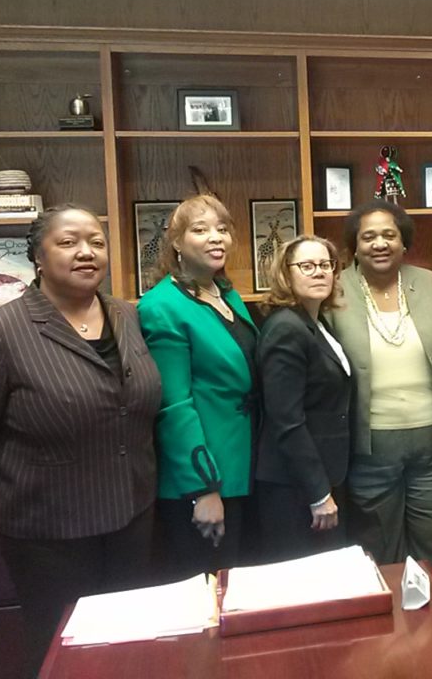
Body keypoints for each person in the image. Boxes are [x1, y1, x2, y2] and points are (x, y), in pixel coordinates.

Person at [0, 204, 162, 677]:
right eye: (68, 242)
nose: (86, 252)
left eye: (97, 242)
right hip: (48, 535)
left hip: (132, 519)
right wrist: (1, 501)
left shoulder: (126, 315)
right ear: (37, 256)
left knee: (130, 648)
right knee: (65, 656)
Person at [330, 199, 432, 594]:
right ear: (354, 246)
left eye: (389, 235)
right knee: (379, 552)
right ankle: (389, 646)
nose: (379, 243)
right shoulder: (332, 292)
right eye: (368, 236)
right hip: (369, 452)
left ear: (404, 243)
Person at [138, 194, 257, 578]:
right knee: (207, 601)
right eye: (200, 230)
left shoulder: (225, 293)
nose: (216, 238)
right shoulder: (162, 307)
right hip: (204, 481)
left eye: (223, 229)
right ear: (175, 242)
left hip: (242, 468)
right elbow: (173, 406)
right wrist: (203, 490)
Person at [255, 235, 353, 562]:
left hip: (320, 475)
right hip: (294, 488)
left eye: (326, 265)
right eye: (307, 266)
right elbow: (286, 420)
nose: (319, 272)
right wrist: (319, 493)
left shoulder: (315, 321)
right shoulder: (286, 328)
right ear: (286, 274)